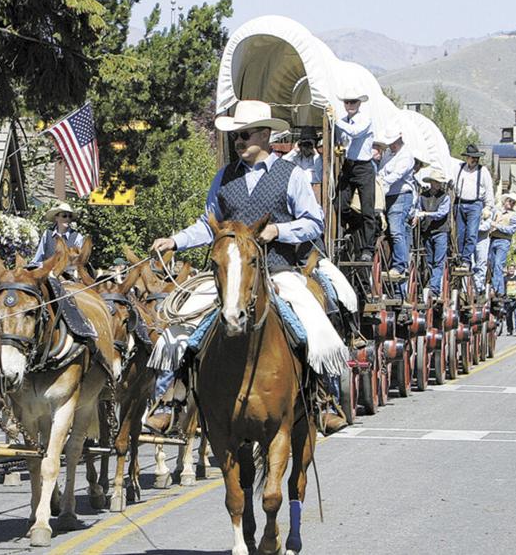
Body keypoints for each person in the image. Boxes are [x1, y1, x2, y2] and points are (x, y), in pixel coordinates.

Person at [150, 99, 349, 434]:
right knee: (176, 330)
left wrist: (279, 231)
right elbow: (207, 223)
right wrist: (175, 240)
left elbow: (314, 221)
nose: (239, 141)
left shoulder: (292, 176)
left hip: (278, 270)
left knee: (314, 325)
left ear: (266, 135)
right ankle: (168, 401)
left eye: (245, 135)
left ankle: (326, 400)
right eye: (236, 136)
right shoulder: (224, 177)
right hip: (230, 275)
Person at [331, 87, 377, 261]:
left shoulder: (365, 120)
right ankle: (345, 235)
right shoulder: (343, 121)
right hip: (349, 165)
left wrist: (335, 120)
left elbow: (355, 132)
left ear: (359, 103)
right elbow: (341, 138)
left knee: (368, 210)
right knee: (339, 206)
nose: (349, 105)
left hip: (364, 167)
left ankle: (367, 248)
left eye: (353, 102)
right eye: (347, 102)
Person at [374, 128, 415, 284]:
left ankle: (399, 266)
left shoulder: (406, 155)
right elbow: (382, 171)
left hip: (401, 195)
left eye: (393, 143)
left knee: (397, 230)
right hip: (389, 195)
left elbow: (397, 175)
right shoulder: (388, 155)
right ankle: (396, 261)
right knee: (393, 230)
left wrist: (381, 183)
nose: (391, 145)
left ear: (399, 140)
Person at [452, 144, 494, 272]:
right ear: (467, 158)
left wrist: (488, 207)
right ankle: (459, 256)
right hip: (459, 203)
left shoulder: (483, 171)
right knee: (460, 233)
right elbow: (452, 183)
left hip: (475, 204)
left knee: (471, 233)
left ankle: (466, 260)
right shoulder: (459, 169)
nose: (474, 160)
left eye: (476, 158)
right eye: (472, 157)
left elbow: (489, 191)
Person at [413, 167, 451, 302]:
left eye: (439, 182)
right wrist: (417, 215)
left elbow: (442, 213)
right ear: (431, 182)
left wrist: (425, 214)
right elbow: (417, 208)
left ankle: (434, 288)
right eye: (436, 182)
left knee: (438, 261)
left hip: (440, 231)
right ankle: (430, 284)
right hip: (427, 232)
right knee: (429, 260)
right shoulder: (422, 196)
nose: (437, 184)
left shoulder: (445, 197)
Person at [29, 202, 85, 267]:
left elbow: (79, 262)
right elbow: (38, 258)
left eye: (70, 216)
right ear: (56, 218)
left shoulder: (77, 237)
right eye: (64, 216)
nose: (67, 219)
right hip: (47, 272)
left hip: (68, 274)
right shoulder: (47, 234)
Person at [487, 194, 516, 295]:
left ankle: (496, 289)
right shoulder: (497, 212)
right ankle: (497, 288)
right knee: (492, 264)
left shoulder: (515, 215)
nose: (511, 204)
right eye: (509, 201)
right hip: (492, 239)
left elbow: (511, 230)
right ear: (505, 201)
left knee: (498, 263)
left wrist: (497, 226)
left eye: (513, 202)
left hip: (504, 241)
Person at [285, 129, 324, 205]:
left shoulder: (319, 159)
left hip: (314, 194)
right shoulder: (295, 158)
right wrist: (294, 150)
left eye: (309, 143)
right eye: (304, 143)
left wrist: (315, 154)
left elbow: (320, 177)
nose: (306, 146)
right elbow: (283, 162)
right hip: (297, 193)